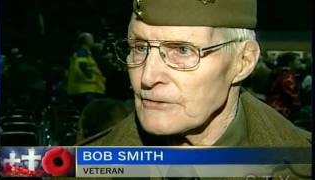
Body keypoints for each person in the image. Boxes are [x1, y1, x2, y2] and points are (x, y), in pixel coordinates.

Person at [79, 0, 311, 178]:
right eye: (139, 47)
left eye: (182, 50)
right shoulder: (80, 166)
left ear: (243, 62)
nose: (147, 77)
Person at [66, 32, 106, 111]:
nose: (93, 40)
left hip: (87, 89)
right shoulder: (82, 52)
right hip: (86, 90)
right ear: (86, 41)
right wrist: (91, 79)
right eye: (91, 38)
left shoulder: (86, 53)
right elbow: (82, 67)